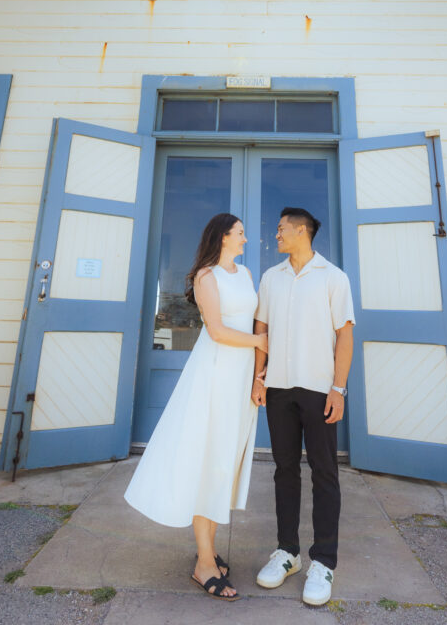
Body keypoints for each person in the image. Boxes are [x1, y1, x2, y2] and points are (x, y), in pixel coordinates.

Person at [124, 212, 268, 602]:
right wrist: (259, 345)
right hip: (215, 376)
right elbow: (218, 331)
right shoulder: (207, 277)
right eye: (239, 233)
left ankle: (209, 550)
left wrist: (258, 376)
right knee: (211, 462)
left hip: (241, 380)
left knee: (224, 464)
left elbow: (257, 323)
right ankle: (204, 562)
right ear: (222, 237)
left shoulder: (247, 274)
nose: (245, 239)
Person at [251, 207, 355, 607]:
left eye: (280, 229)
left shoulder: (333, 277)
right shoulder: (270, 278)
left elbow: (344, 335)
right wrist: (259, 379)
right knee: (284, 470)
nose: (275, 235)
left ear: (301, 231)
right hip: (278, 389)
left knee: (325, 473)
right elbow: (261, 331)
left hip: (318, 390)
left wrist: (338, 389)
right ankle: (288, 552)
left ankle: (324, 561)